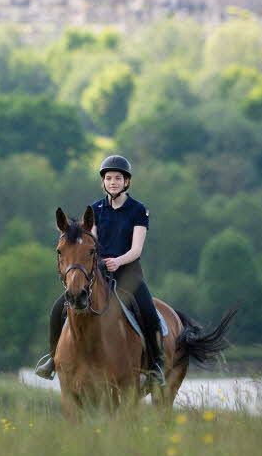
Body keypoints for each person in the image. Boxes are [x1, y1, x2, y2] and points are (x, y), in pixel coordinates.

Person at [35, 154, 165, 387]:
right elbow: (91, 242)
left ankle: (156, 365)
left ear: (127, 182)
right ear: (103, 182)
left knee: (148, 311)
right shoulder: (94, 209)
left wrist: (118, 260)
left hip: (128, 272)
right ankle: (53, 359)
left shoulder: (138, 210)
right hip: (98, 272)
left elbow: (136, 249)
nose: (113, 182)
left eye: (118, 178)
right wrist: (96, 263)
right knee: (57, 309)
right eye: (108, 178)